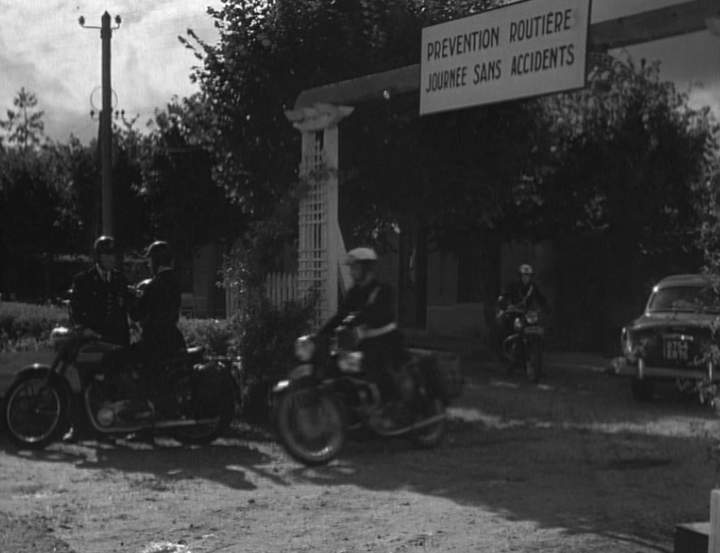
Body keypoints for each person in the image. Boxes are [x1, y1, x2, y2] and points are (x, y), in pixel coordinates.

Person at [319, 247, 402, 405]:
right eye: (351, 268)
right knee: (343, 368)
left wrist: (356, 319)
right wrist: (321, 333)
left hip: (388, 341)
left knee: (378, 374)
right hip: (367, 343)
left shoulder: (383, 290)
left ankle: (391, 410)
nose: (351, 272)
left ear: (367, 268)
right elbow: (341, 315)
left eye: (355, 267)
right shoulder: (354, 292)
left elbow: (380, 316)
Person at [130, 240, 187, 364]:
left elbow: (136, 314)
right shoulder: (175, 281)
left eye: (150, 261)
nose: (149, 265)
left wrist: (132, 298)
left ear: (156, 261)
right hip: (174, 339)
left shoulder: (153, 285)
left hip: (153, 343)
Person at [70, 235, 131, 346]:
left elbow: (125, 308)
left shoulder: (120, 279)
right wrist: (83, 328)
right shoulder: (84, 280)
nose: (111, 259)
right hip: (93, 339)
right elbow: (75, 309)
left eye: (113, 254)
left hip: (117, 339)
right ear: (98, 256)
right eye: (107, 254)